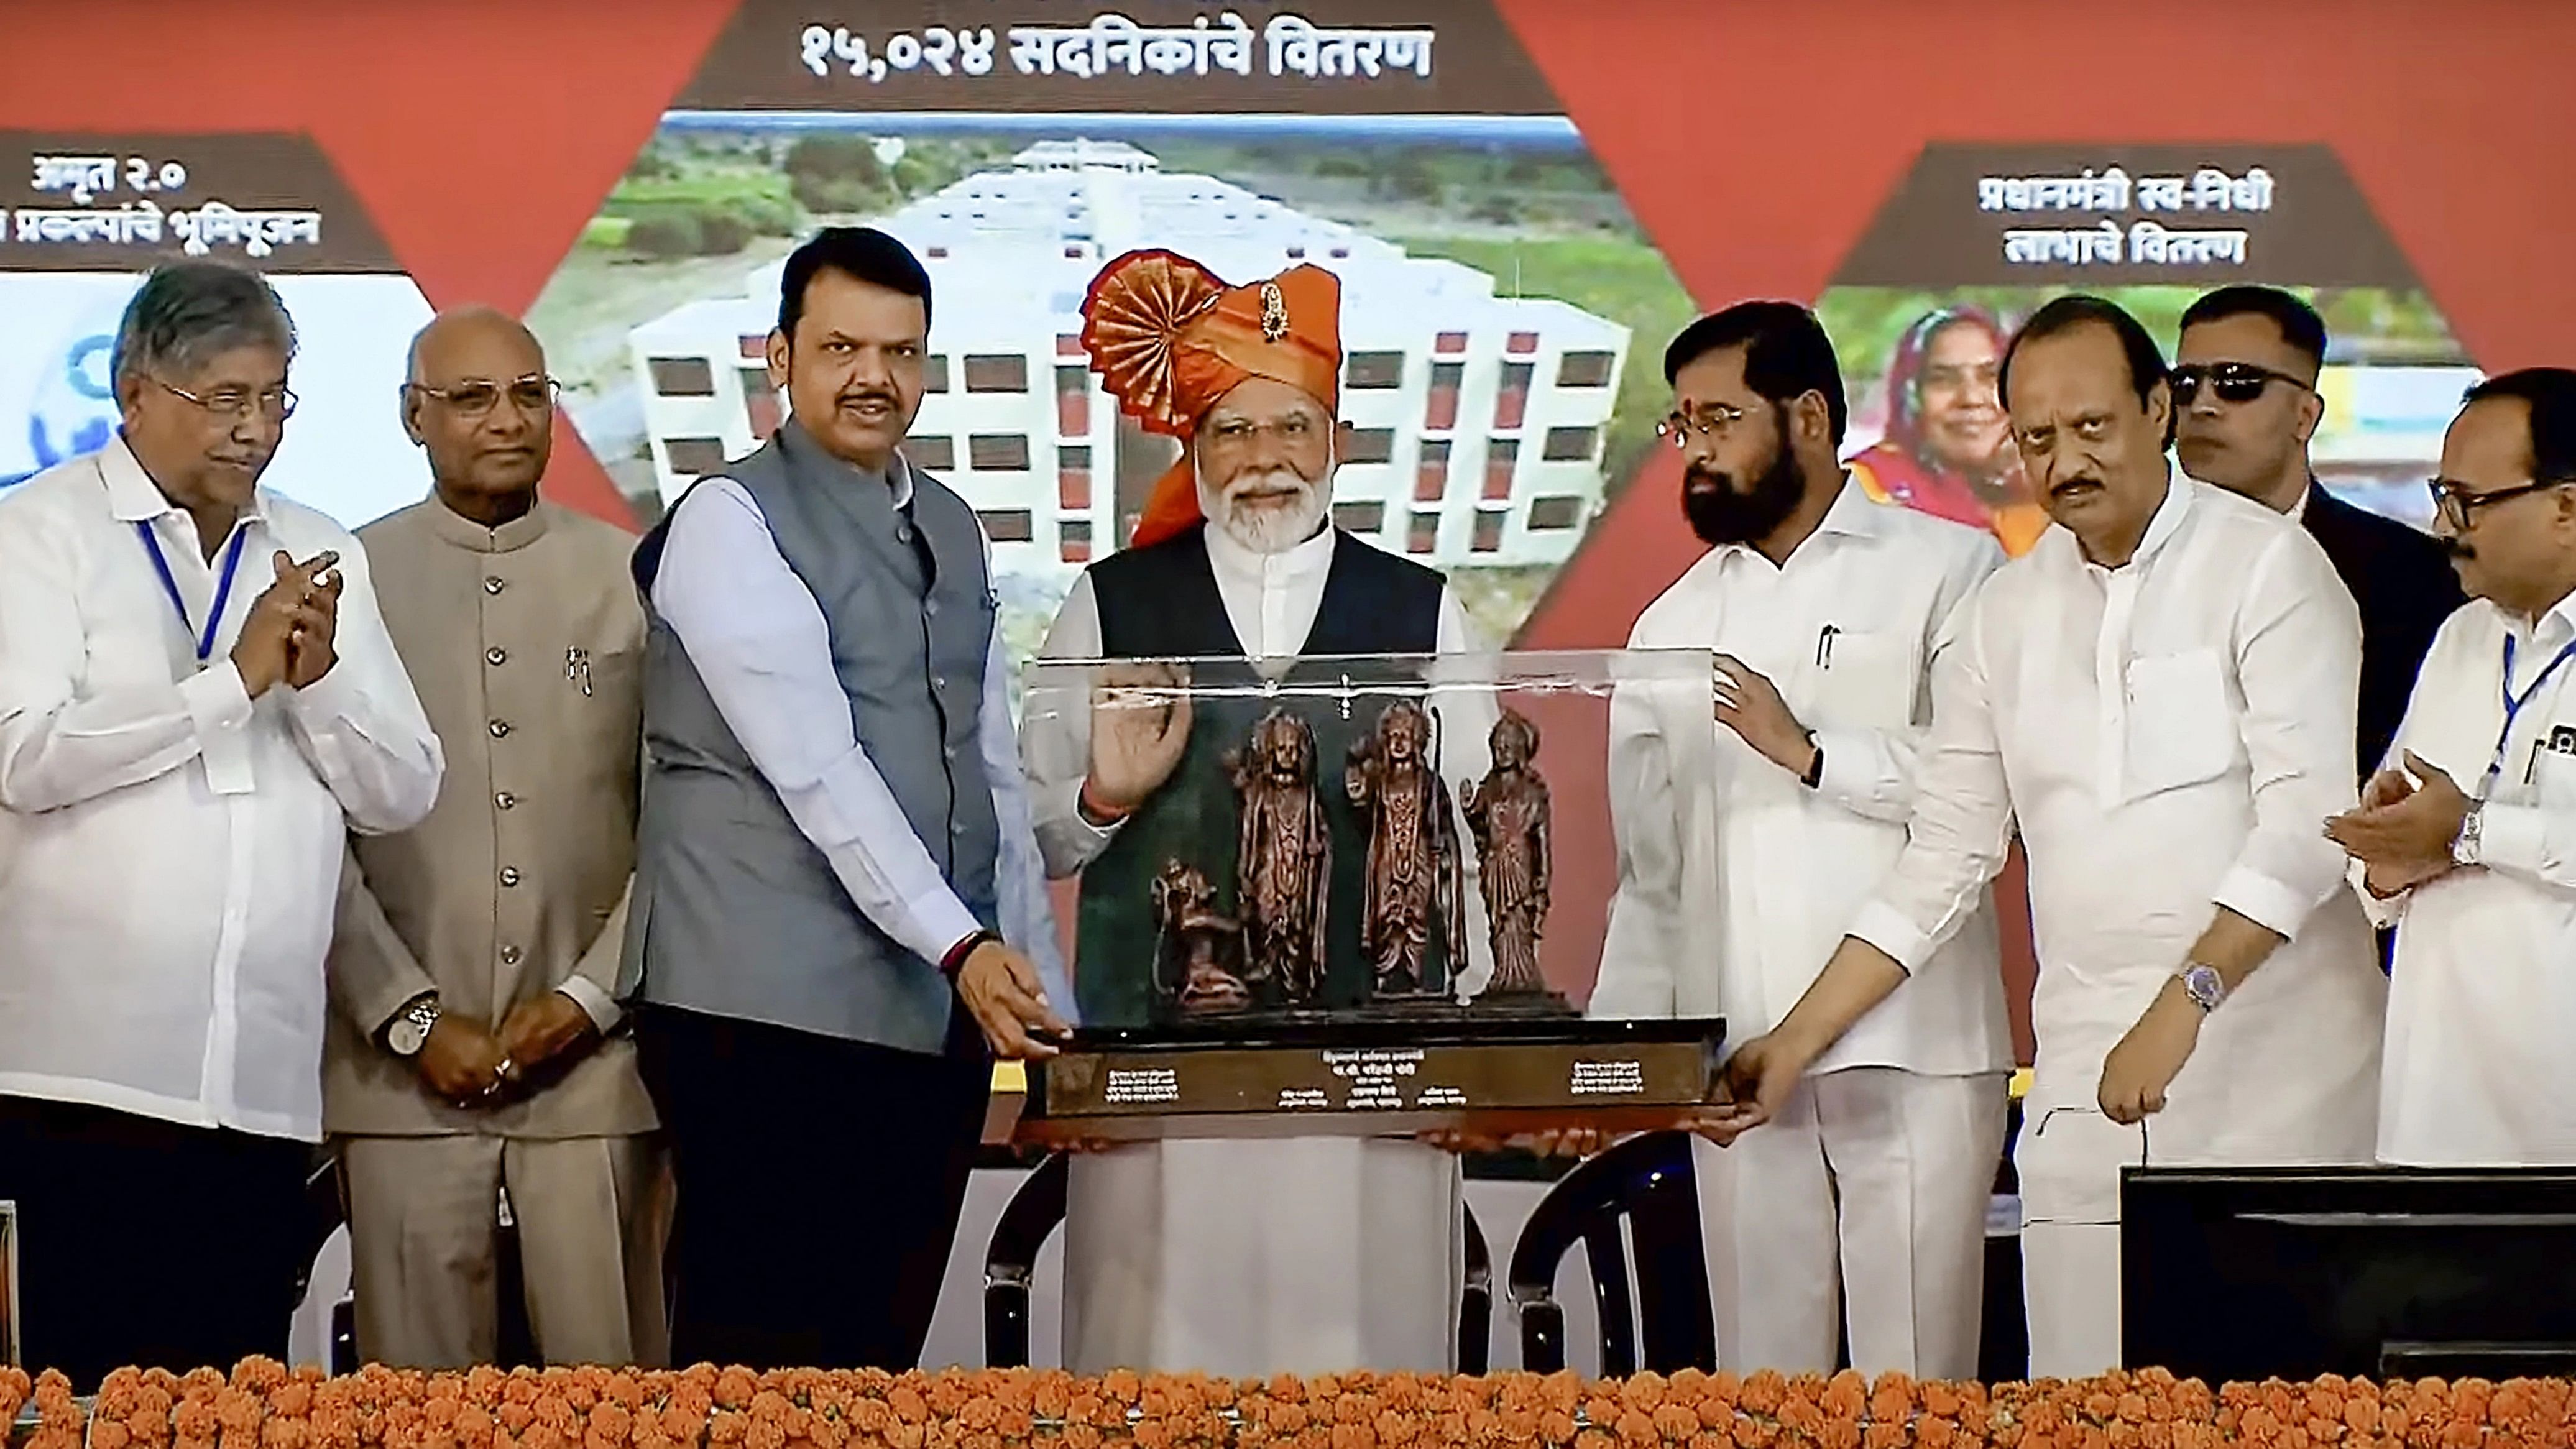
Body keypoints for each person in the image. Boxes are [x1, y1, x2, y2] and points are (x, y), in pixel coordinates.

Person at [1703, 296, 2386, 1379]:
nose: (2062, 460)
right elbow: (1941, 860)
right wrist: (1788, 1044)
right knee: (2084, 1402)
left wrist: (2183, 1005)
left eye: (2091, 427)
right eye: (2034, 438)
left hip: (2278, 1078)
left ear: (2157, 408)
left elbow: (2305, 827)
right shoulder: (2005, 614)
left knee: (2277, 1405)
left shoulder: (2269, 570)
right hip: (2085, 1079)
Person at [1023, 247, 1486, 1376]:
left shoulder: (1423, 610)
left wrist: (1467, 1053)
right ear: (1192, 448)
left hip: (1370, 1078)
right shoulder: (1112, 602)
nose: (1263, 459)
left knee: (1362, 1371)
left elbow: (1471, 847)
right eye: (1231, 430)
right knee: (1155, 1371)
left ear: (1336, 441)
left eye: (1289, 427)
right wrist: (1103, 796)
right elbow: (1033, 829)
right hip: (1158, 1082)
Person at [621, 227, 1067, 1371]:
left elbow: (991, 776)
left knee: (879, 1373)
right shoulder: (726, 522)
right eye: (840, 347)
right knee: (760, 1371)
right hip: (761, 1018)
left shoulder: (953, 526)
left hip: (921, 1024)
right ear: (779, 357)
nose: (874, 375)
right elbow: (816, 770)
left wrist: (1041, 994)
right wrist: (965, 948)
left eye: (901, 351)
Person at [0, 262, 443, 1387]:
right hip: (84, 1080)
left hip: (261, 1082)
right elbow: (26, 756)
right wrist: (230, 684)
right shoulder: (40, 533)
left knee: (232, 1411)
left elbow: (402, 792)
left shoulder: (314, 542)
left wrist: (324, 681)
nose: (255, 432)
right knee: (86, 1402)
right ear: (136, 393)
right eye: (226, 400)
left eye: (276, 400)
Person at [1591, 302, 2011, 1378]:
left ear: (1811, 417)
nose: (1695, 450)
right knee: (1759, 1379)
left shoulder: (1948, 569)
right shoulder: (1667, 624)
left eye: (1721, 418)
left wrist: (1814, 749)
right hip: (1733, 1059)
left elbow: (1984, 795)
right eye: (1680, 425)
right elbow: (1651, 870)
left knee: (1915, 1382)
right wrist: (1622, 1056)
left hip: (1911, 1039)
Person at [325, 307, 666, 1368]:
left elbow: (685, 823)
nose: (507, 419)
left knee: (613, 1398)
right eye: (471, 398)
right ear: (411, 416)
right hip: (396, 1078)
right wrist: (412, 1020)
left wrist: (583, 1002)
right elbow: (308, 832)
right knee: (415, 1407)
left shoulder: (636, 579)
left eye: (529, 393)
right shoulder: (346, 581)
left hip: (596, 1070)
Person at [2327, 369, 2576, 1166]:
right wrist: (2386, 858)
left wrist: (2467, 830)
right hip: (2437, 1117)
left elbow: (2464, 833)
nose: (2441, 527)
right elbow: (2395, 860)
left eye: (2466, 501)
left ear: (2566, 507)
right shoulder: (2463, 640)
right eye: (2441, 496)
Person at [2174, 285, 2462, 778]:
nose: (2203, 404)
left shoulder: (2418, 580)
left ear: (2306, 416)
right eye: (2184, 384)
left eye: (2237, 382)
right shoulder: (2127, 566)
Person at [1848, 306, 2048, 557]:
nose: (1971, 398)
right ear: (1911, 396)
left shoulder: (2044, 497)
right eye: (1943, 379)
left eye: (1990, 376)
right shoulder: (1866, 488)